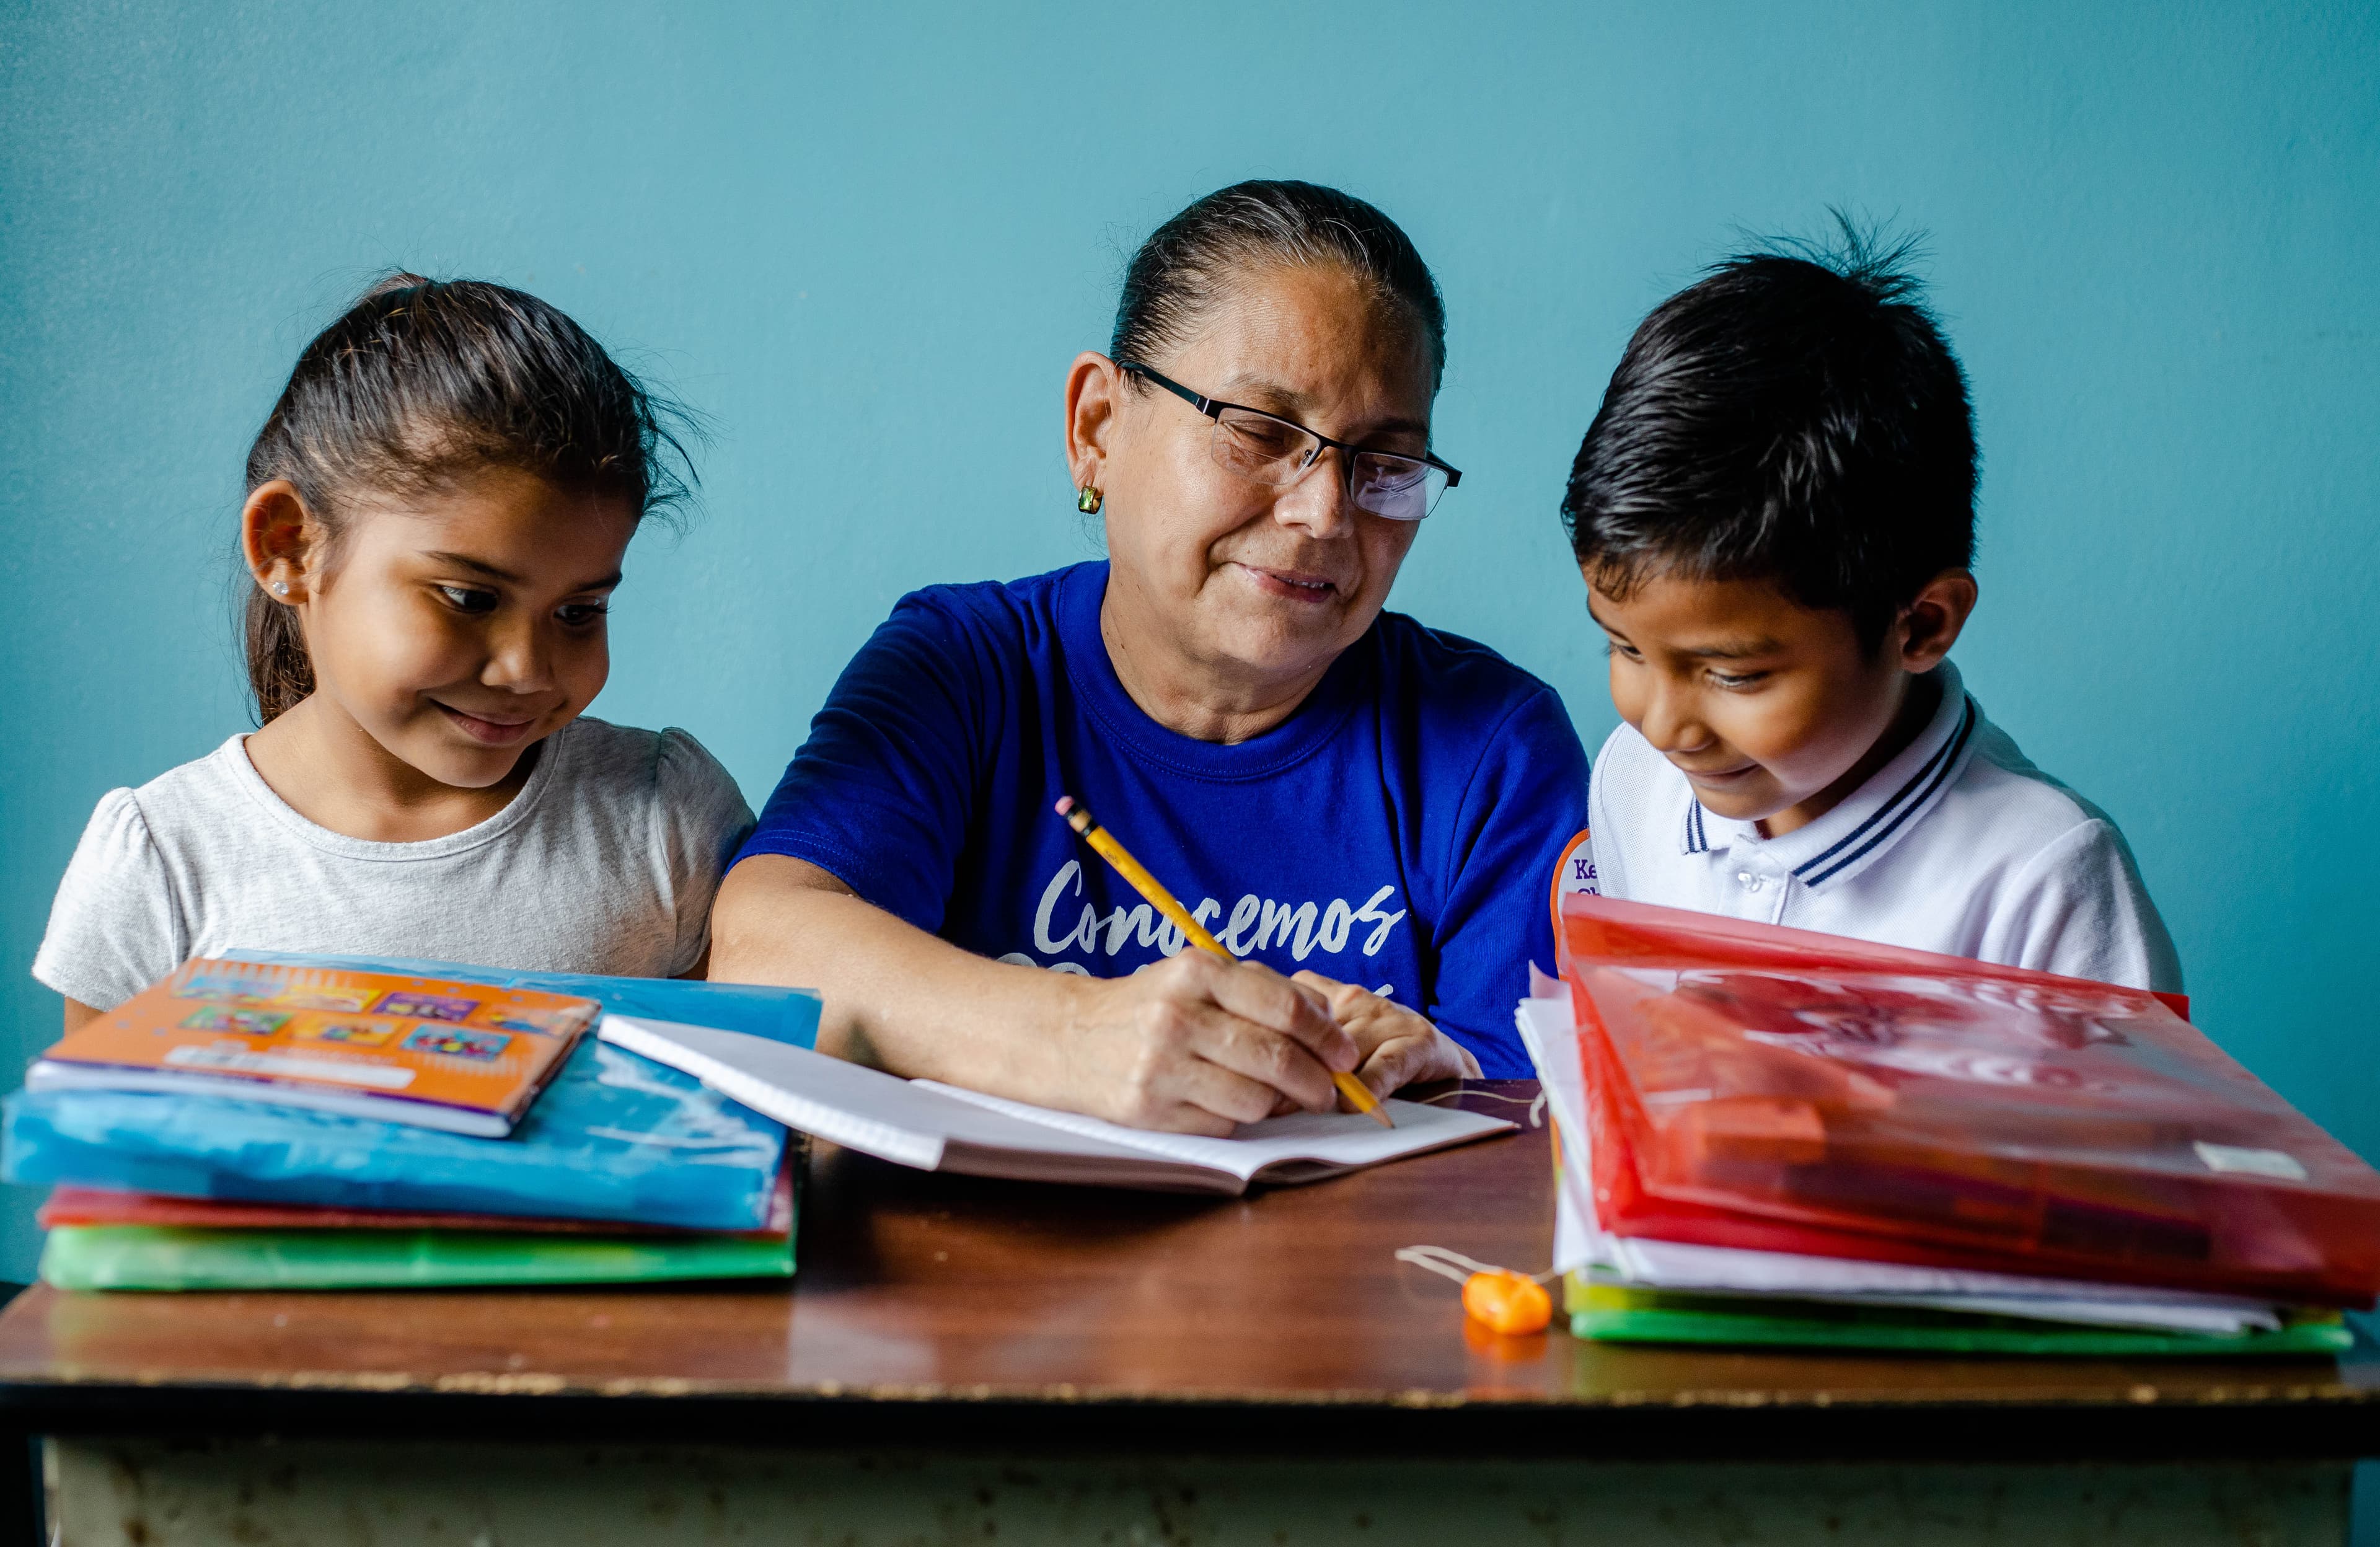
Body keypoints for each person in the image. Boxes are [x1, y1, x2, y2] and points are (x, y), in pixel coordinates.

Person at [713, 180, 1592, 1134]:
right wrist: (1075, 1034)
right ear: (1096, 426)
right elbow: (765, 950)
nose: (1324, 514)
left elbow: (1539, 1101)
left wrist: (1435, 1060)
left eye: (1383, 465)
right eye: (1261, 432)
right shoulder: (963, 670)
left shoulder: (1492, 747)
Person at [35, 276, 752, 1029]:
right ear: (290, 547)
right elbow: (100, 1139)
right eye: (470, 598)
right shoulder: (164, 864)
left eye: (579, 611)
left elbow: (746, 1114)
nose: (527, 670)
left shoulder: (663, 817)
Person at [1553, 227, 2182, 992]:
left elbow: (2140, 1119)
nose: (1663, 725)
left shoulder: (2045, 880)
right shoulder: (1635, 783)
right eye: (1626, 649)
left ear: (1921, 625)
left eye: (1734, 675)